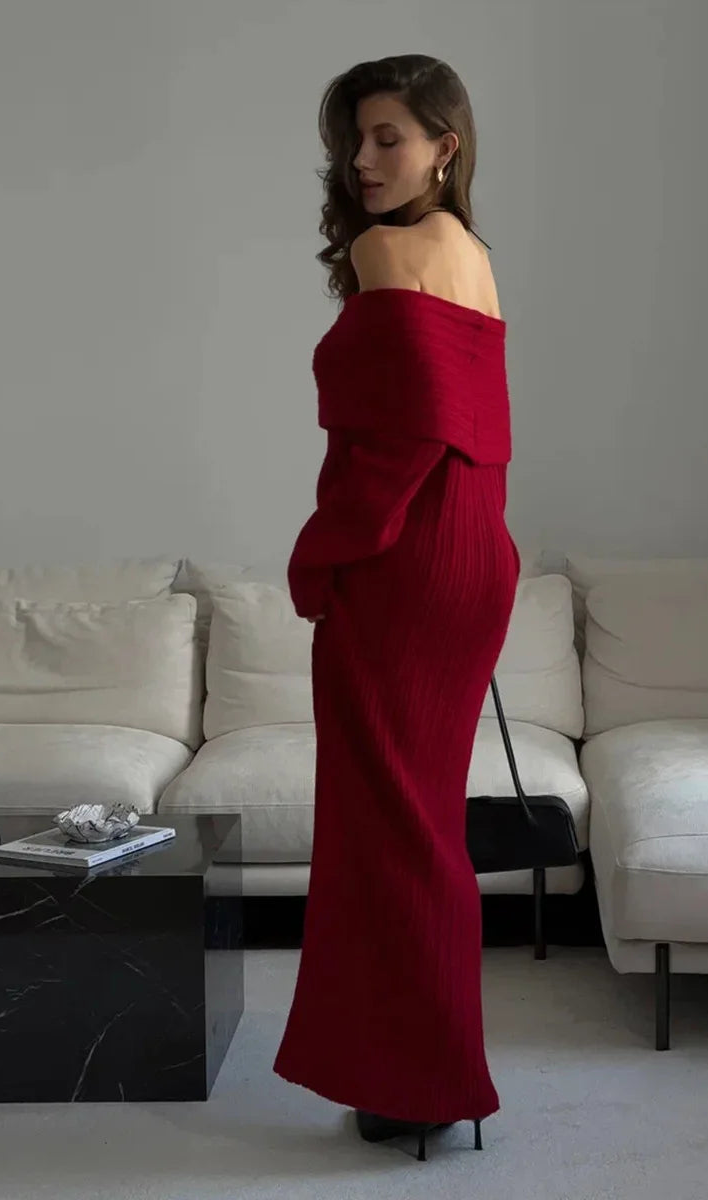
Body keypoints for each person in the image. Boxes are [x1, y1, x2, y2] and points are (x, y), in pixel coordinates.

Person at [272, 54, 521, 1163]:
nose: (364, 162)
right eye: (354, 140)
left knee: (389, 826)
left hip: (407, 558)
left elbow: (404, 440)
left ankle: (419, 1079)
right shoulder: (473, 255)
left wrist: (320, 559)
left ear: (443, 146)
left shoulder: (386, 251)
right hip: (476, 555)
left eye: (388, 138)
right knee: (421, 822)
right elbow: (478, 427)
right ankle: (431, 1076)